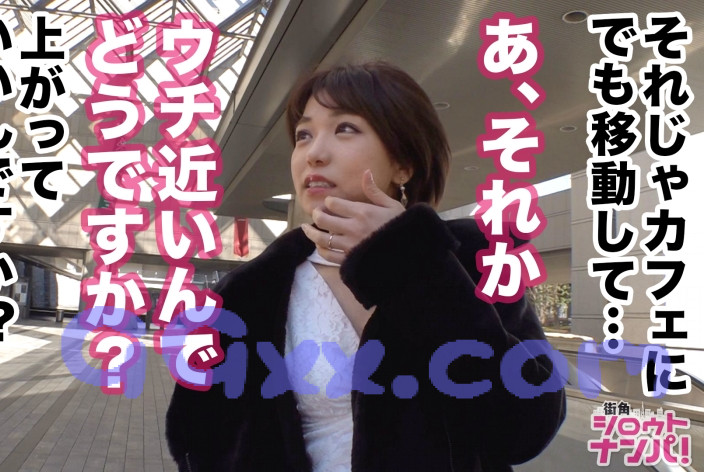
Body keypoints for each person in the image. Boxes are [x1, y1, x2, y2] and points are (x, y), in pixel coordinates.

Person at [166, 62, 566, 471]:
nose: (314, 154)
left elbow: (527, 428)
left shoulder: (474, 257)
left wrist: (410, 262)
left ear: (403, 163)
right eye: (304, 135)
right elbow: (197, 436)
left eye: (345, 129)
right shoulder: (248, 291)